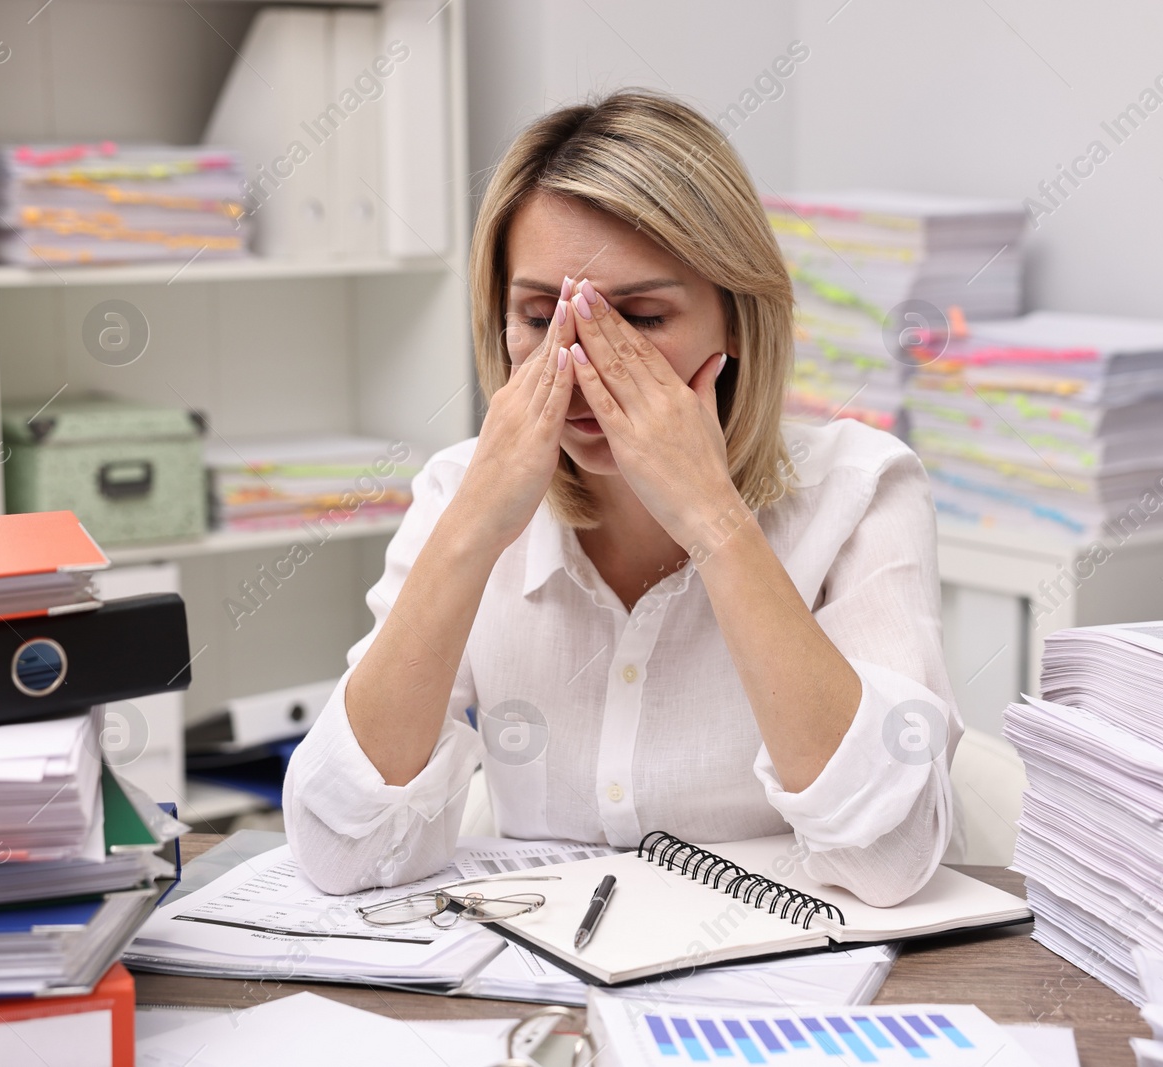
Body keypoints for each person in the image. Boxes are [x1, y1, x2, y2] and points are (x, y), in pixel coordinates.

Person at [284, 89, 961, 907]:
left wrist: (713, 517)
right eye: (540, 316)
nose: (585, 366)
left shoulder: (862, 489)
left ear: (737, 320)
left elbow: (892, 854)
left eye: (638, 318)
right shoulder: (458, 492)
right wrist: (470, 533)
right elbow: (339, 852)